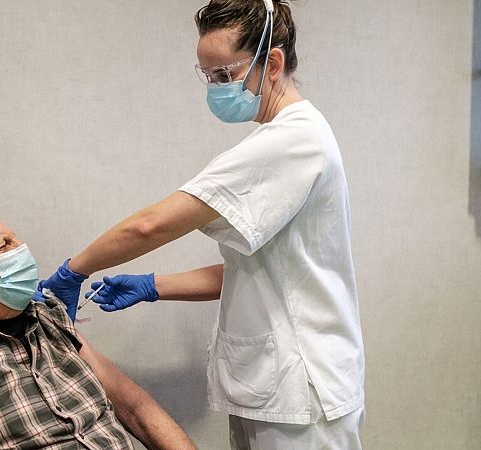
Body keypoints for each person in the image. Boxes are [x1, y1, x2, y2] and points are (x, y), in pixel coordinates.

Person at [38, 0, 365, 449]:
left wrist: (74, 270)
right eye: (208, 77)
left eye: (224, 75)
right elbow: (263, 270)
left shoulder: (292, 140)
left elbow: (152, 225)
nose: (215, 88)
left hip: (301, 393)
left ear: (272, 62)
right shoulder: (290, 138)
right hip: (276, 389)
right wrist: (153, 285)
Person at [0, 210, 197, 450]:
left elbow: (136, 408)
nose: (21, 250)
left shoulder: (48, 317)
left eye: (15, 239)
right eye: (4, 246)